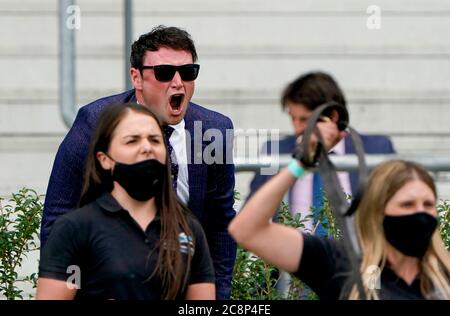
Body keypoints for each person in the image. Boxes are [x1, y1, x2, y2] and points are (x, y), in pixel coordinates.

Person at [40, 26, 236, 299]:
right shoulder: (96, 123)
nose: (178, 82)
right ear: (137, 77)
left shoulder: (214, 130)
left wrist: (219, 296)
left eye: (188, 72)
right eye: (164, 73)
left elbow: (220, 222)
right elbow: (58, 215)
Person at [230, 119, 450, 300]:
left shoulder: (443, 277)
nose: (420, 213)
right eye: (407, 204)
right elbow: (247, 230)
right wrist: (301, 164)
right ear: (378, 211)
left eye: (428, 204)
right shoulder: (342, 264)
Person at [36, 103, 215, 300]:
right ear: (104, 159)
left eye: (155, 140)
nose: (147, 148)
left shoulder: (187, 228)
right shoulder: (75, 230)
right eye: (132, 141)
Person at [248, 71, 395, 236]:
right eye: (293, 119)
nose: (297, 128)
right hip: (292, 257)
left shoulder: (376, 149)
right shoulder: (275, 151)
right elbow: (249, 215)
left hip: (358, 258)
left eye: (305, 120)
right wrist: (298, 159)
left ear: (332, 117)